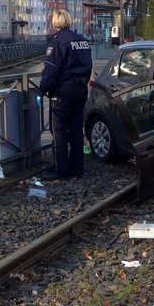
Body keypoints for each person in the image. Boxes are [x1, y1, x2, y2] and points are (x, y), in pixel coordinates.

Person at [40, 9, 93, 180]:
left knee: (59, 130)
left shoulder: (57, 42)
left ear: (55, 22)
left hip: (63, 92)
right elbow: (89, 66)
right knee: (76, 129)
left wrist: (41, 90)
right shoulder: (82, 40)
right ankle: (77, 169)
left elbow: (51, 70)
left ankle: (60, 170)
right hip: (81, 89)